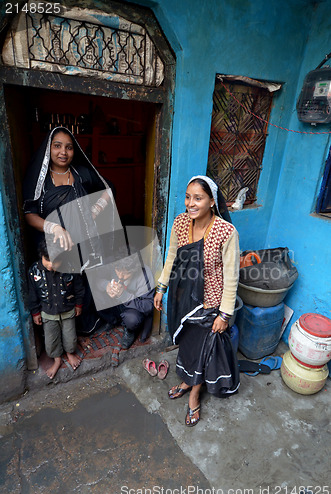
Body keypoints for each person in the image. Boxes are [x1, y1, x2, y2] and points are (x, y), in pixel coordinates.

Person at [154, 175, 240, 427]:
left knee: (203, 350)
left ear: (212, 201)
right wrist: (161, 288)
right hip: (183, 297)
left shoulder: (226, 232)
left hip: (211, 303)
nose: (191, 203)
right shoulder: (180, 223)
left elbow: (232, 277)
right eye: (188, 197)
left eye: (198, 198)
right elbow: (171, 257)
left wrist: (225, 315)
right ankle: (185, 379)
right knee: (187, 344)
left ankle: (194, 393)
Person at [23, 126, 115, 334]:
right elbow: (29, 214)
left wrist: (95, 210)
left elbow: (108, 189)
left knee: (87, 283)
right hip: (56, 245)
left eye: (69, 147)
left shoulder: (81, 173)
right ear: (49, 148)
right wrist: (54, 227)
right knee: (62, 287)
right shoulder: (39, 179)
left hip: (85, 240)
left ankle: (89, 325)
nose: (63, 152)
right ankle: (65, 336)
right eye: (57, 146)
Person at [28, 239, 85, 379]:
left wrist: (78, 305)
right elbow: (32, 294)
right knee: (51, 340)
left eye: (56, 262)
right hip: (48, 313)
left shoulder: (71, 268)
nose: (51, 265)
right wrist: (35, 312)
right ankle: (57, 359)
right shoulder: (34, 271)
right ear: (41, 255)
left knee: (70, 338)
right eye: (47, 260)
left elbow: (79, 288)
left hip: (68, 311)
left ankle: (70, 353)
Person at [96, 252, 155, 350]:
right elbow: (95, 279)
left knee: (132, 319)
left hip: (132, 308)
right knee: (95, 295)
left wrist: (124, 295)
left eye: (126, 273)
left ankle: (130, 330)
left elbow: (148, 306)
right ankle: (112, 320)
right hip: (115, 305)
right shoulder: (113, 264)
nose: (120, 276)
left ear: (134, 270)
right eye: (118, 271)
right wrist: (106, 286)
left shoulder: (144, 274)